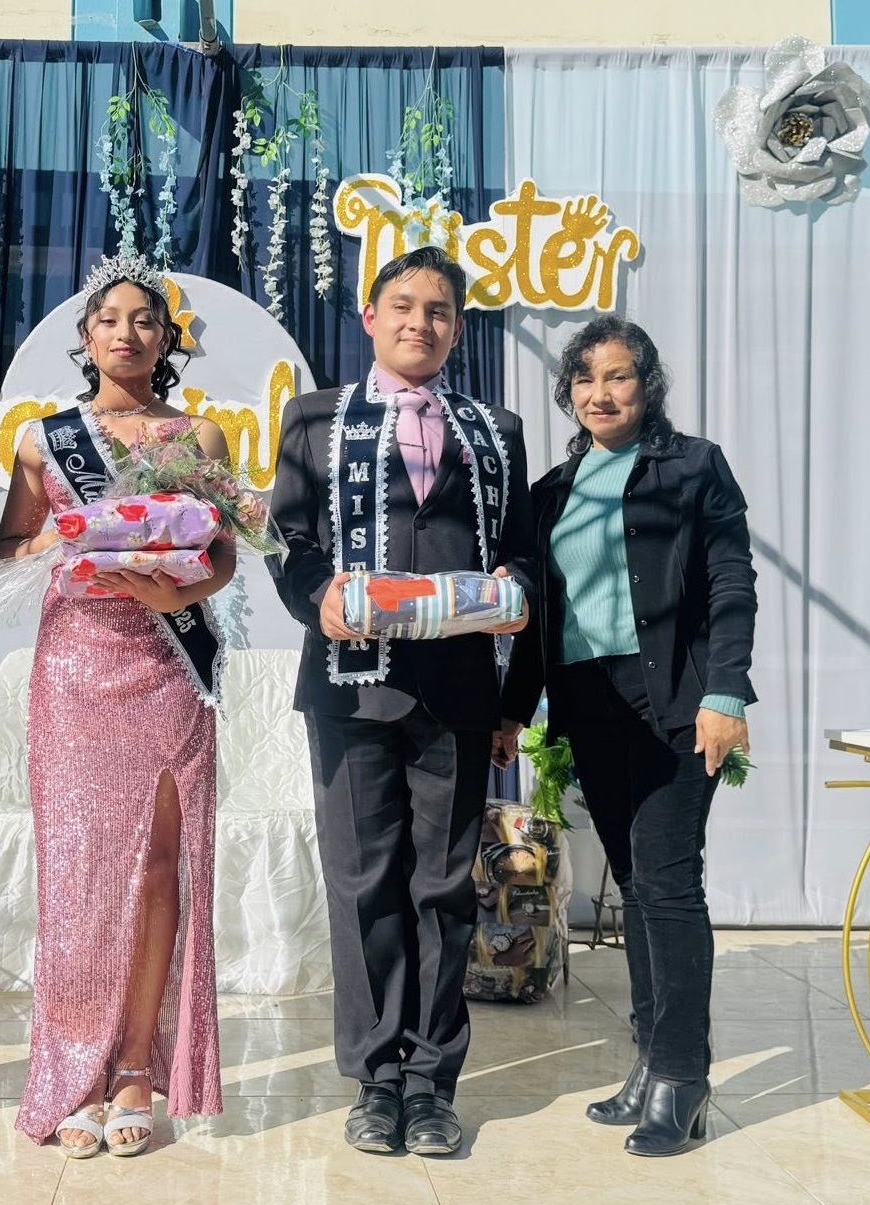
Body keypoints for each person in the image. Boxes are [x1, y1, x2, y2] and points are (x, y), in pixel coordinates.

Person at [268, 245, 536, 1157]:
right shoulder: (315, 418)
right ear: (370, 316)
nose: (420, 322)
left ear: (457, 329)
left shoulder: (495, 429)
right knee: (361, 882)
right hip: (351, 688)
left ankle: (432, 1083)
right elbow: (290, 542)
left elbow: (522, 549)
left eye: (439, 310)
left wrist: (514, 592)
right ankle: (375, 1078)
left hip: (458, 690)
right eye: (404, 305)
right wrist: (318, 594)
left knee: (444, 885)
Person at [0, 252, 235, 1158]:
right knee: (79, 872)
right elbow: (12, 547)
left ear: (166, 338)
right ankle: (75, 1069)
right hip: (75, 667)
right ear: (86, 337)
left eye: (144, 320)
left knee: (162, 865)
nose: (127, 333)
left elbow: (221, 556)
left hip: (167, 662)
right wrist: (78, 539)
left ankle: (134, 1063)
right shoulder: (41, 440)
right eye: (109, 319)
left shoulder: (199, 436)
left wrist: (176, 587)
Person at [500, 313, 757, 1157]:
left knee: (669, 881)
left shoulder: (692, 466)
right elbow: (541, 617)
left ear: (647, 385)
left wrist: (724, 689)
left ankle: (682, 1076)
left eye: (617, 376)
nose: (599, 393)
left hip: (676, 700)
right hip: (588, 704)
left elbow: (730, 582)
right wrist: (513, 708)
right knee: (637, 884)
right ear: (568, 392)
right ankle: (652, 1059)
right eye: (584, 378)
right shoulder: (552, 490)